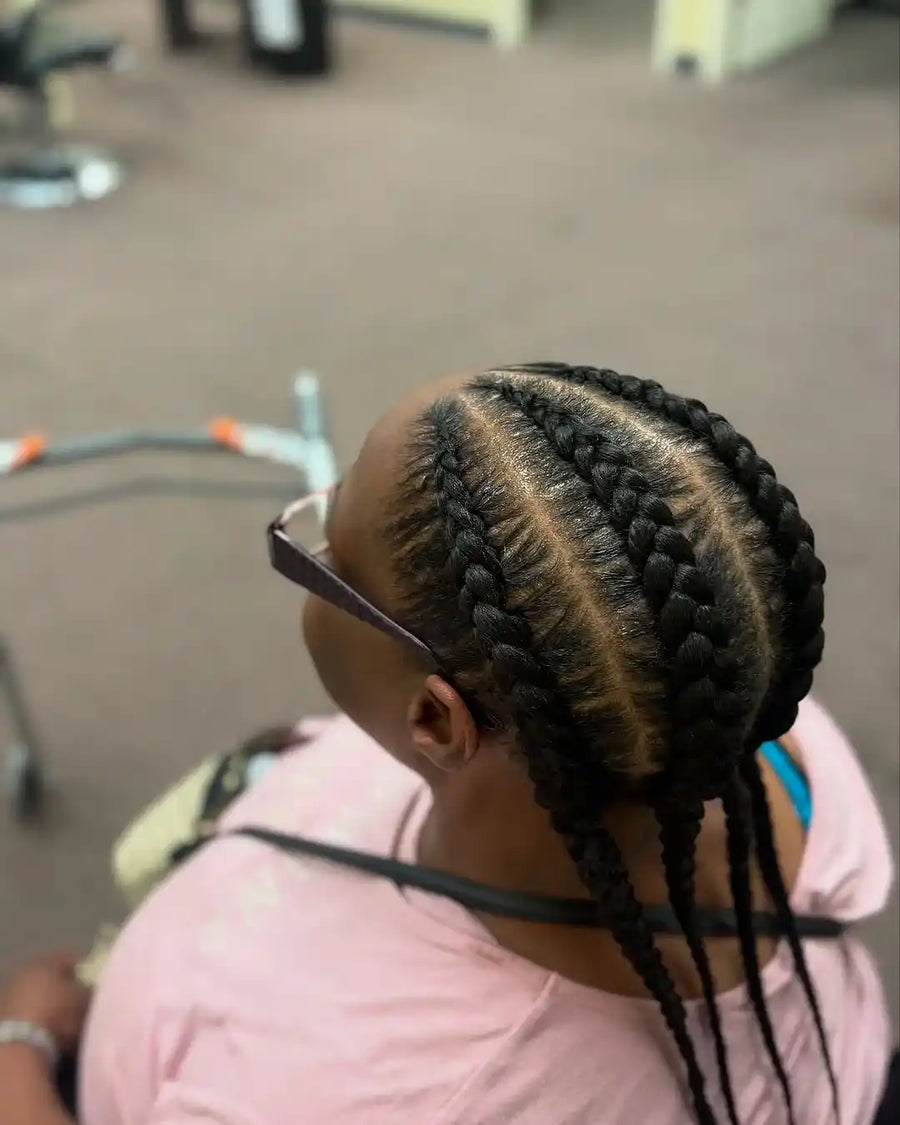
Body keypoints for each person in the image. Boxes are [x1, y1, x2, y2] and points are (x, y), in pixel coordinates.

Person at [0, 364, 893, 1124]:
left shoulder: (369, 1093)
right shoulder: (740, 726)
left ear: (436, 721)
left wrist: (26, 1044)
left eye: (320, 560)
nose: (307, 558)